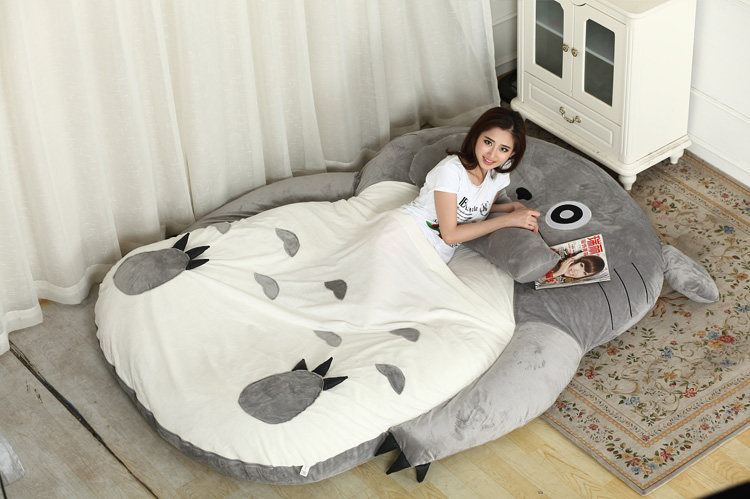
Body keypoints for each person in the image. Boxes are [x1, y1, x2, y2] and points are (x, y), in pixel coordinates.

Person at [401, 106, 540, 263]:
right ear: (476, 136)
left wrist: (511, 207)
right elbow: (450, 235)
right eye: (488, 142)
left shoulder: (498, 175)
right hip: (407, 235)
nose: (492, 154)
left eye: (503, 149)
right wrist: (508, 220)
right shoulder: (450, 171)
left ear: (512, 153)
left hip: (432, 256)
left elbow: (476, 207)